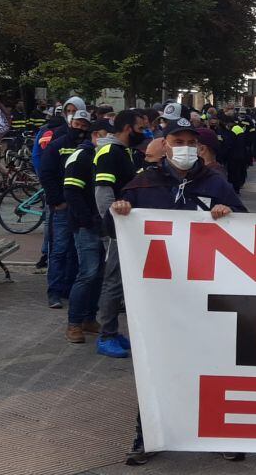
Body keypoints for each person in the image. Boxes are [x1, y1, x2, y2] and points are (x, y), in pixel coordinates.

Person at [111, 117, 247, 467]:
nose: (184, 147)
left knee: (213, 364)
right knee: (155, 365)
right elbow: (112, 229)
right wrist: (121, 213)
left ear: (199, 146)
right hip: (160, 298)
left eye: (190, 140)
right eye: (177, 140)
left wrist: (228, 214)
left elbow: (249, 229)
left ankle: (221, 434)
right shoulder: (142, 185)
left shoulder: (215, 183)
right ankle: (149, 436)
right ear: (164, 144)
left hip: (208, 294)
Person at [91, 110, 148, 358]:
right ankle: (106, 335)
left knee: (120, 282)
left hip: (124, 226)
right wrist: (113, 224)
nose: (144, 132)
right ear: (126, 128)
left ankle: (112, 331)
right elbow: (103, 193)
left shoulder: (124, 152)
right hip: (117, 229)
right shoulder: (109, 153)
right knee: (113, 281)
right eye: (140, 128)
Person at [62, 119, 113, 343]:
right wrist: (86, 219)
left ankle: (89, 318)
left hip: (100, 224)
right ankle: (74, 323)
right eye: (103, 135)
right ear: (94, 136)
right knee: (88, 273)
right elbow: (72, 192)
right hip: (86, 225)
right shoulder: (81, 157)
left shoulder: (103, 157)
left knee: (99, 274)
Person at [39, 109, 93, 309]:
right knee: (59, 249)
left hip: (78, 207)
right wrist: (56, 201)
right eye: (77, 124)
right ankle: (54, 291)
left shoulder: (88, 150)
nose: (80, 128)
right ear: (71, 124)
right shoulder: (57, 146)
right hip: (62, 207)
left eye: (84, 125)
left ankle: (69, 289)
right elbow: (47, 174)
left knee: (74, 250)